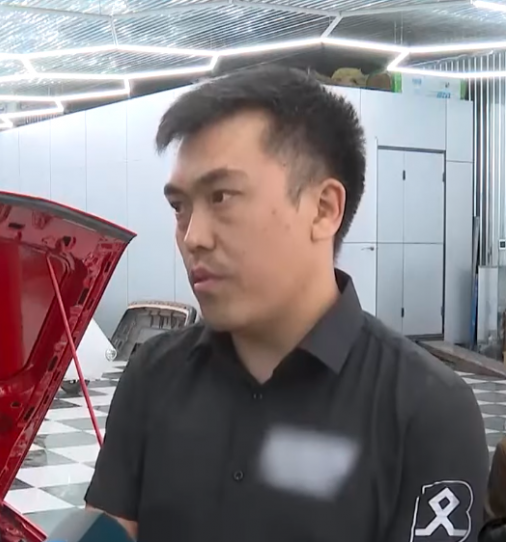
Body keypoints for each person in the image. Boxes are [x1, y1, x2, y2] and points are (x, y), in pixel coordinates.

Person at [84, 65, 489, 542]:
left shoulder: (427, 411)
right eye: (180, 207)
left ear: (324, 209)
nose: (192, 237)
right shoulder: (152, 376)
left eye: (222, 197)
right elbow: (109, 528)